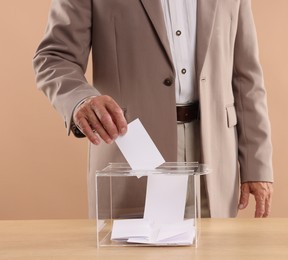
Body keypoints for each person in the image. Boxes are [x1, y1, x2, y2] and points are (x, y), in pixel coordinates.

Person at [33, 0, 274, 218]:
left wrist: (256, 164)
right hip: (131, 151)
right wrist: (80, 100)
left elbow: (246, 77)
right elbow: (55, 57)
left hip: (215, 156)